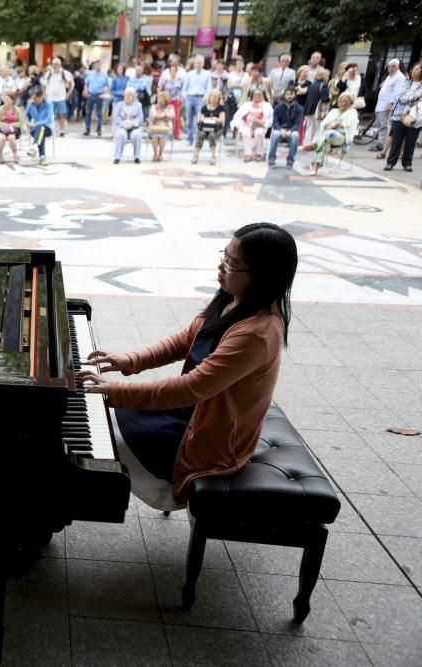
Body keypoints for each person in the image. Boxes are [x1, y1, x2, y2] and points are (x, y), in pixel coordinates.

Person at [80, 223, 297, 511]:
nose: (222, 266)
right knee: (92, 417)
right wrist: (131, 360)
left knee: (97, 433)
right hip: (192, 415)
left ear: (262, 275)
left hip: (207, 437)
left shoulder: (257, 333)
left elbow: (192, 387)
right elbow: (184, 340)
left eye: (232, 263)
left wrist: (114, 391)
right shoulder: (232, 301)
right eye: (224, 256)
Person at [300, 92, 358, 175]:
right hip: (326, 137)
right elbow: (323, 124)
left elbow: (349, 123)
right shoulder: (334, 111)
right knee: (322, 143)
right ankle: (315, 167)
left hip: (341, 137)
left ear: (350, 103)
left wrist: (334, 124)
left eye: (346, 101)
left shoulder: (352, 112)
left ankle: (312, 145)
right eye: (341, 101)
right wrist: (330, 125)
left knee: (327, 135)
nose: (343, 103)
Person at [384, 62, 422, 173]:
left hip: (415, 116)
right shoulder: (405, 82)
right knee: (396, 140)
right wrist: (415, 96)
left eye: (417, 69)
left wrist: (409, 97)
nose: (414, 71)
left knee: (411, 141)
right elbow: (399, 98)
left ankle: (407, 163)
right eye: (413, 69)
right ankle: (390, 162)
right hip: (399, 115)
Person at [373, 59, 405, 158]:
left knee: (385, 126)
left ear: (398, 66)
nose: (391, 68)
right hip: (380, 104)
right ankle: (380, 142)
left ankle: (381, 144)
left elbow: (397, 92)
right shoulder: (389, 76)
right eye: (389, 66)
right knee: (380, 125)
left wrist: (391, 103)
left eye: (393, 66)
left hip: (387, 105)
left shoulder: (399, 77)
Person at [267, 86, 303, 169]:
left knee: (295, 136)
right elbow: (275, 122)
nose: (289, 96)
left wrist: (290, 131)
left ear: (295, 95)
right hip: (280, 129)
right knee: (275, 134)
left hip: (291, 130)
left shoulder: (299, 109)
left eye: (291, 94)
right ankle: (271, 159)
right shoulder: (278, 107)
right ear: (284, 95)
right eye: (287, 94)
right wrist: (281, 129)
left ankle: (290, 161)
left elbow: (297, 124)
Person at [234, 88, 273, 162]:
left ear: (263, 96)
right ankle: (248, 154)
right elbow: (238, 116)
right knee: (246, 133)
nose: (257, 96)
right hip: (247, 124)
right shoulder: (246, 105)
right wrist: (246, 120)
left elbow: (271, 119)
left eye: (259, 95)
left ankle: (258, 154)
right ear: (252, 96)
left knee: (259, 133)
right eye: (255, 95)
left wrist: (262, 123)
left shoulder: (267, 106)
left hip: (260, 125)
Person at [192, 89, 225, 166]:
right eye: (212, 96)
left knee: (212, 135)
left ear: (219, 98)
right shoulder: (204, 108)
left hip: (216, 129)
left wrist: (213, 119)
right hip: (204, 128)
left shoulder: (221, 108)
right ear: (209, 97)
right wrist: (212, 118)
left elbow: (221, 119)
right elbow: (201, 119)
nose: (213, 98)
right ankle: (195, 155)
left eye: (216, 96)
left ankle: (213, 156)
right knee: (201, 134)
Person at [184, 55, 211, 145]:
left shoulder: (207, 74)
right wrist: (185, 97)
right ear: (194, 63)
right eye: (197, 62)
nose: (198, 64)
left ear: (203, 63)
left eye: (200, 62)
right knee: (189, 120)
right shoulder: (189, 74)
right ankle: (189, 139)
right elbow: (185, 88)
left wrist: (204, 99)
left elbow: (208, 88)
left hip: (200, 98)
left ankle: (198, 139)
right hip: (190, 97)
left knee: (199, 121)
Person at [112, 88, 143, 164]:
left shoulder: (138, 105)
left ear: (133, 97)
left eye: (129, 95)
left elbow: (140, 118)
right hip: (122, 126)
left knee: (137, 135)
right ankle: (117, 157)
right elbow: (116, 117)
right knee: (121, 134)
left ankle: (137, 157)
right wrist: (124, 124)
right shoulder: (119, 105)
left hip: (134, 127)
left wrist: (132, 124)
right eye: (126, 95)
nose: (127, 97)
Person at [44, 57, 73, 136]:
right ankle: (49, 129)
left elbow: (71, 83)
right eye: (54, 64)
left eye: (57, 64)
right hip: (50, 97)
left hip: (61, 97)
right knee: (49, 114)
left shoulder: (64, 73)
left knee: (62, 114)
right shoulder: (49, 73)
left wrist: (69, 93)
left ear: (60, 64)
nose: (55, 65)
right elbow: (44, 84)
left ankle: (62, 130)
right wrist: (44, 95)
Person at [25, 87, 54, 166]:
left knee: (41, 128)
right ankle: (42, 157)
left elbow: (49, 119)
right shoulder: (31, 103)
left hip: (48, 128)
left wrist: (36, 124)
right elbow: (26, 115)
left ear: (41, 97)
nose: (34, 101)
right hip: (35, 130)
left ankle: (34, 146)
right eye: (33, 99)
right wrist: (27, 122)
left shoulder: (49, 104)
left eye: (35, 99)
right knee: (41, 132)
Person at [0, 90, 23, 164]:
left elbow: (20, 122)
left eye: (7, 99)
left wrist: (11, 125)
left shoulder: (17, 109)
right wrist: (3, 124)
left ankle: (15, 154)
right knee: (2, 138)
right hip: (2, 129)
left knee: (11, 138)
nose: (5, 100)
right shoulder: (0, 109)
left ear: (12, 100)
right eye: (4, 98)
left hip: (13, 129)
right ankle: (0, 154)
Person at [304, 68, 331, 144]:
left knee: (310, 128)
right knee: (318, 128)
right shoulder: (324, 85)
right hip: (317, 110)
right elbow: (324, 98)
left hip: (309, 109)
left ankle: (306, 143)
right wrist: (330, 97)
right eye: (328, 76)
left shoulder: (312, 85)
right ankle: (314, 144)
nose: (328, 77)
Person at [83, 60, 110, 137]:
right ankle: (87, 129)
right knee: (88, 113)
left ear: (101, 66)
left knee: (99, 114)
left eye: (99, 65)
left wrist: (104, 93)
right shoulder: (90, 73)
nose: (98, 66)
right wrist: (85, 91)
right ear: (94, 66)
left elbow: (108, 86)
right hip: (90, 95)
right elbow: (86, 83)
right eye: (96, 65)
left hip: (99, 95)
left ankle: (99, 130)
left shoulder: (104, 74)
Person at [160, 62, 185, 140]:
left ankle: (176, 135)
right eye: (171, 70)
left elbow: (182, 90)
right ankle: (166, 133)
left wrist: (180, 99)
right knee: (166, 116)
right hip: (167, 101)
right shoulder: (166, 80)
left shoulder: (180, 80)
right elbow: (161, 88)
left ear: (176, 71)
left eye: (174, 70)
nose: (172, 72)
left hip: (176, 100)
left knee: (176, 118)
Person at [148, 91, 175, 162]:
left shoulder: (170, 107)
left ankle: (160, 154)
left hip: (166, 129)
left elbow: (169, 116)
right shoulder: (153, 107)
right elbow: (153, 116)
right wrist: (164, 115)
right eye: (159, 98)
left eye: (162, 99)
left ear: (166, 100)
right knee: (155, 135)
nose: (159, 100)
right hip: (154, 128)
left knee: (162, 135)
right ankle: (155, 154)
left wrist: (159, 117)